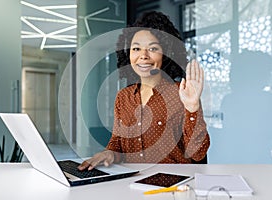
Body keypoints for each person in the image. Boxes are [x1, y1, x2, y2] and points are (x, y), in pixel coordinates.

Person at [78, 11, 210, 171]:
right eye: (136, 49)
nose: (143, 56)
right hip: (130, 184)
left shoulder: (183, 94)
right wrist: (110, 153)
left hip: (171, 187)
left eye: (153, 48)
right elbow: (117, 142)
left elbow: (198, 154)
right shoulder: (123, 97)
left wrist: (192, 108)